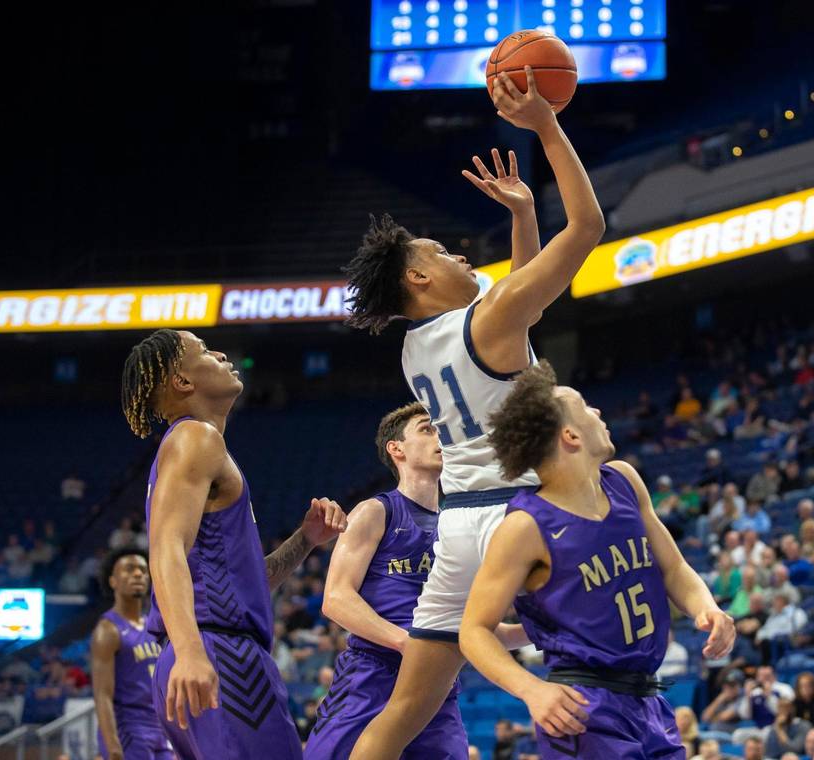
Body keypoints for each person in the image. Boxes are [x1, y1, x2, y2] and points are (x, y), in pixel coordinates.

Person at [342, 70, 605, 760]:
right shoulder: (485, 320)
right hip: (524, 517)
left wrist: (522, 215)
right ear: (421, 278)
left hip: (459, 528)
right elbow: (589, 227)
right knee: (598, 668)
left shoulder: (416, 348)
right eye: (441, 252)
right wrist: (546, 127)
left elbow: (522, 309)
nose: (459, 254)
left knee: (404, 711)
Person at [458, 363, 734, 758]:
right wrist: (532, 690)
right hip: (583, 706)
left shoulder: (624, 480)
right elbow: (473, 630)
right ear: (570, 436)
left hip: (648, 700)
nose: (598, 413)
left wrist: (706, 608)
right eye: (586, 407)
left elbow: (673, 567)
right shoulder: (524, 527)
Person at [121, 329, 347, 760]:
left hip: (208, 647)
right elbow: (166, 551)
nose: (222, 353)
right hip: (217, 653)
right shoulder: (195, 438)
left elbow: (246, 581)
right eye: (204, 351)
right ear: (183, 382)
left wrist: (306, 540)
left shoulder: (198, 449)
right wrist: (190, 651)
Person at [304, 403, 466, 759]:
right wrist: (407, 643)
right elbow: (336, 598)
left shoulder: (459, 525)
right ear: (397, 449)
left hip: (435, 680)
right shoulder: (376, 511)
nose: (441, 437)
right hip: (372, 673)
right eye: (427, 429)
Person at [91, 547, 174, 760]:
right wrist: (113, 748)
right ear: (113, 581)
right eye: (129, 569)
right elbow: (102, 696)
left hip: (160, 727)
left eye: (143, 570)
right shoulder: (107, 630)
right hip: (128, 729)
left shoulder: (154, 626)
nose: (138, 574)